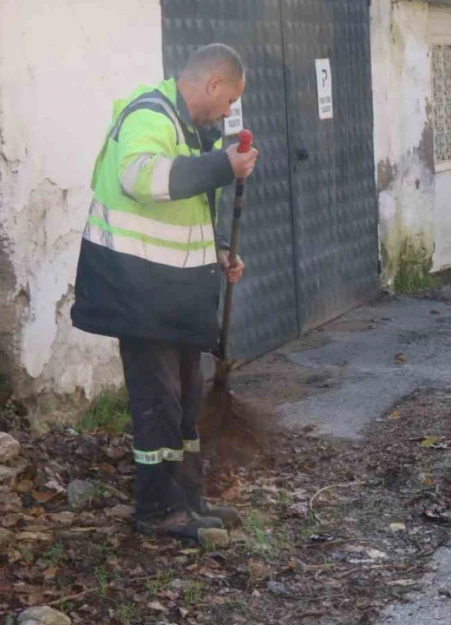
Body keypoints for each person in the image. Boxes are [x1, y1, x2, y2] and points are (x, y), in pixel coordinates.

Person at [71, 43, 259, 540]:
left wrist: (218, 249)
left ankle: (189, 502)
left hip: (168, 294)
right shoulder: (149, 114)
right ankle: (157, 512)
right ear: (212, 83)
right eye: (228, 100)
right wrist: (223, 165)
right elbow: (140, 177)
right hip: (137, 292)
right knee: (157, 404)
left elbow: (186, 206)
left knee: (185, 399)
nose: (227, 112)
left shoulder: (191, 128)